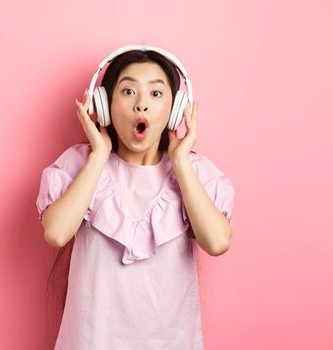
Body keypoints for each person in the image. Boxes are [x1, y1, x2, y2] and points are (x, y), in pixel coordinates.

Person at [36, 46, 235, 349]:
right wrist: (99, 154)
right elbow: (56, 232)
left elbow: (217, 242)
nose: (141, 105)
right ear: (104, 104)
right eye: (128, 91)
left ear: (176, 107)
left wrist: (180, 160)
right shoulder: (81, 165)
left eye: (156, 94)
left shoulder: (196, 173)